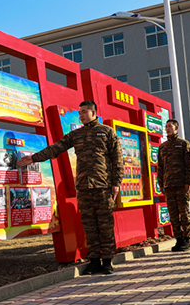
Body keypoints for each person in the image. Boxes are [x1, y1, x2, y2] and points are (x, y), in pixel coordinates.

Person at [18, 100, 124, 275]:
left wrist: (116, 183)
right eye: (79, 112)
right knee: (89, 226)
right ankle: (94, 262)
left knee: (105, 225)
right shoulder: (76, 134)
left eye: (84, 112)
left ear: (93, 112)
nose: (80, 115)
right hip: (83, 188)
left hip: (103, 186)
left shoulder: (107, 132)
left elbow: (117, 159)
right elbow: (56, 148)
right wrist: (34, 158)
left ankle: (107, 261)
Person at [157, 119, 190, 252]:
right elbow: (160, 167)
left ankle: (186, 239)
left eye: (170, 126)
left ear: (176, 128)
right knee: (173, 215)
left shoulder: (183, 144)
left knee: (184, 214)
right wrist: (161, 184)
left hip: (181, 185)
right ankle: (178, 239)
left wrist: (188, 182)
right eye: (166, 126)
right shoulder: (163, 147)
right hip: (169, 186)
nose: (168, 128)